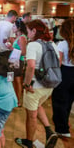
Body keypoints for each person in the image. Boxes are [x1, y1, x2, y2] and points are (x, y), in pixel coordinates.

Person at [15, 19, 59, 148]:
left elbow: (31, 66)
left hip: (35, 86)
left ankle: (29, 142)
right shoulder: (52, 44)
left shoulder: (33, 45)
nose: (27, 34)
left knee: (31, 116)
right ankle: (49, 131)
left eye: (28, 31)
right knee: (38, 106)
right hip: (49, 85)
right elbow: (58, 63)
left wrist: (27, 84)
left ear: (34, 31)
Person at [52, 19, 74, 138]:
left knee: (59, 101)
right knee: (69, 100)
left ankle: (62, 129)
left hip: (65, 73)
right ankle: (65, 122)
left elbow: (58, 63)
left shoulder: (62, 44)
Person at [7, 19, 28, 107]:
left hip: (18, 61)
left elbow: (23, 52)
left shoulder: (22, 38)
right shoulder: (19, 37)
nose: (13, 27)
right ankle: (14, 98)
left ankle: (18, 100)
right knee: (12, 79)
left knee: (16, 80)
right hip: (14, 61)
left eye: (14, 26)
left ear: (19, 28)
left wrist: (12, 48)